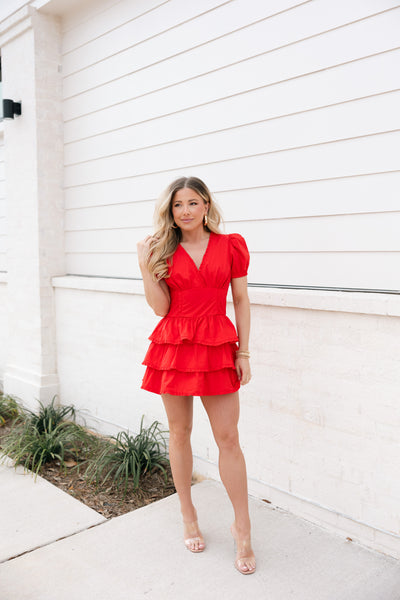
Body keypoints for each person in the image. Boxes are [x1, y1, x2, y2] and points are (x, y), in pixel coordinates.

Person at [137, 176, 256, 575]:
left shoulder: (231, 245)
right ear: (169, 212)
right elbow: (159, 308)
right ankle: (187, 513)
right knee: (179, 433)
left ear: (206, 205)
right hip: (174, 343)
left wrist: (243, 351)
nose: (185, 211)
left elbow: (239, 298)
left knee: (229, 438)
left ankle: (242, 527)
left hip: (219, 343)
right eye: (177, 205)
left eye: (192, 202)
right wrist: (144, 265)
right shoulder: (161, 251)